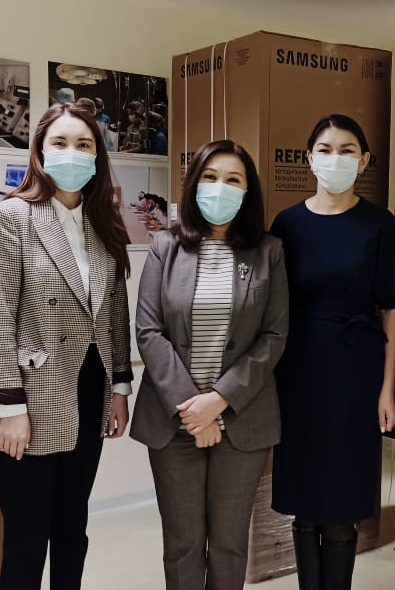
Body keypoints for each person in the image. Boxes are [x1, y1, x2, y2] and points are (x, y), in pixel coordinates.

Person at [0, 101, 133, 590]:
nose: (73, 153)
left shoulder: (104, 223)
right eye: (60, 142)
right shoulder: (12, 217)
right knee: (26, 542)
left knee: (72, 532)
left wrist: (120, 389)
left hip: (89, 392)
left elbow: (115, 314)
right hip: (31, 397)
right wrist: (9, 408)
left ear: (97, 156)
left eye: (84, 144)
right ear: (40, 151)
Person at [132, 139, 289, 590]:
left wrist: (218, 401)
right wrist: (192, 408)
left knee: (229, 544)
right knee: (182, 544)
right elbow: (149, 331)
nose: (221, 187)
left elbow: (274, 336)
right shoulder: (165, 247)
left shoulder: (269, 251)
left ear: (247, 191)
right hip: (174, 421)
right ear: (194, 184)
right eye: (211, 177)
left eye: (233, 179)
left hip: (242, 420)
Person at [271, 114, 395, 590]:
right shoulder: (287, 224)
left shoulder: (379, 224)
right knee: (305, 504)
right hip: (298, 374)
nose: (336, 159)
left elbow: (392, 310)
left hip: (356, 374)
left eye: (347, 150)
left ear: (364, 161)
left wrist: (386, 389)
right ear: (308, 158)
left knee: (340, 506)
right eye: (325, 149)